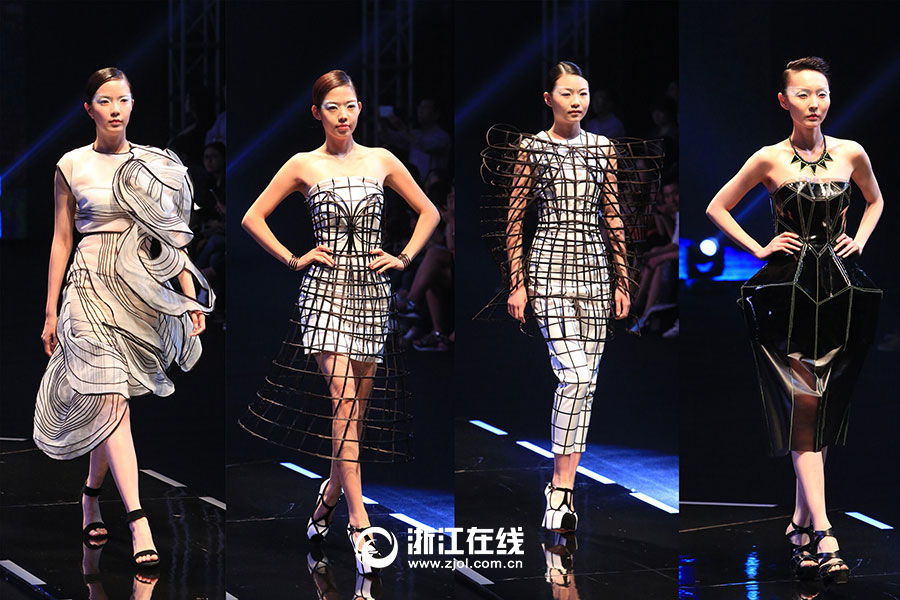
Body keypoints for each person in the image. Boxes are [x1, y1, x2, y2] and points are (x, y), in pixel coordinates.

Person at [240, 70, 439, 574]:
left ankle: (327, 498)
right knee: (344, 403)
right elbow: (251, 217)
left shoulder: (382, 159)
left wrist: (404, 257)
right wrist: (294, 258)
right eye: (332, 107)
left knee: (355, 417)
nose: (343, 115)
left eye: (350, 105)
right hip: (325, 294)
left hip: (371, 296)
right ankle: (359, 523)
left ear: (360, 109)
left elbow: (430, 212)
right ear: (317, 113)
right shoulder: (302, 164)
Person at [706, 57, 883, 585]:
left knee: (821, 411)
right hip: (787, 293)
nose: (814, 103)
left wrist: (860, 240)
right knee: (805, 405)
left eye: (821, 93)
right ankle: (824, 533)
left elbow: (874, 201)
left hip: (842, 292)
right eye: (803, 94)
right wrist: (759, 247)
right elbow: (717, 207)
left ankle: (799, 529)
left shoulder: (851, 152)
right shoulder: (768, 158)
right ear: (784, 101)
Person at [35, 67, 213, 569]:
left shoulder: (153, 165)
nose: (116, 109)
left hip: (136, 293)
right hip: (87, 288)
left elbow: (171, 238)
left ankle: (91, 495)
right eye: (105, 100)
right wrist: (50, 310)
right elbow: (61, 240)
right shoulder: (71, 164)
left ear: (133, 105)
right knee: (112, 394)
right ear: (88, 108)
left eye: (124, 99)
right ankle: (139, 520)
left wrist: (188, 297)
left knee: (108, 401)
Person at [480, 61, 662, 534]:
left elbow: (613, 215)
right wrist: (517, 283)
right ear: (548, 99)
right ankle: (560, 490)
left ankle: (563, 488)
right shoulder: (532, 148)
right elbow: (514, 219)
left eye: (583, 92)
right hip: (547, 267)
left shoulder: (603, 148)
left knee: (587, 383)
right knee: (574, 376)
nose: (577, 101)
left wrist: (623, 280)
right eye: (567, 93)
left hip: (596, 270)